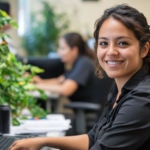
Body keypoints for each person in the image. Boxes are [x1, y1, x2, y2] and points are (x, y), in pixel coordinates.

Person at [9, 4, 150, 150]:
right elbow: (93, 138)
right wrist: (42, 141)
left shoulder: (142, 98)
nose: (111, 51)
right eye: (103, 43)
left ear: (144, 49)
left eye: (122, 43)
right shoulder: (120, 89)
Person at [31, 32, 103, 104]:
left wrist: (35, 86)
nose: (59, 51)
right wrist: (39, 81)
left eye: (62, 48)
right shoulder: (77, 63)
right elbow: (59, 80)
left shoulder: (84, 63)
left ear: (74, 50)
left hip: (88, 113)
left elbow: (65, 90)